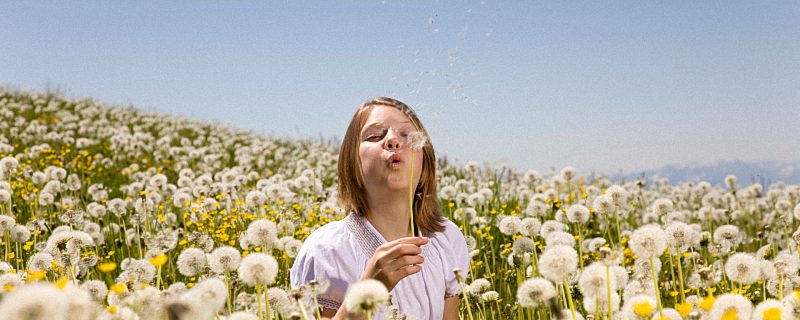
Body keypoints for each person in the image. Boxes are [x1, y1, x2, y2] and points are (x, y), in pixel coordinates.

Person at [290, 97, 469, 319]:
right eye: (375, 136)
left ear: (425, 164)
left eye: (407, 135)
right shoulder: (327, 251)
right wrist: (368, 291)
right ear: (352, 162)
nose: (393, 140)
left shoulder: (446, 239)